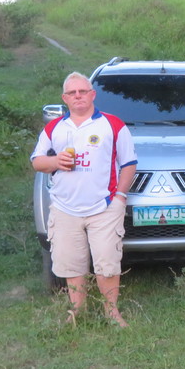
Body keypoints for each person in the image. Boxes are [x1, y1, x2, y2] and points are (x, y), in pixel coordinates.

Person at [31, 72, 137, 327]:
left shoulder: (113, 125)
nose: (77, 96)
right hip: (65, 207)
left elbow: (129, 163)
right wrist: (55, 161)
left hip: (104, 206)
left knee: (107, 263)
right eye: (72, 93)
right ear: (64, 98)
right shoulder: (54, 128)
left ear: (92, 94)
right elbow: (37, 161)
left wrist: (120, 197)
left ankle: (112, 313)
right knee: (71, 264)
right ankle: (77, 312)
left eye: (82, 91)